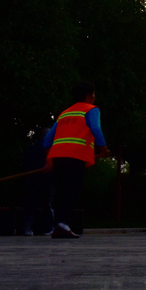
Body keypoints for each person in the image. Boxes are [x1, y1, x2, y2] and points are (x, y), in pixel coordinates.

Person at [43, 81, 110, 239]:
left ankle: (58, 225)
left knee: (60, 192)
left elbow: (47, 139)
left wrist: (48, 161)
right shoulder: (91, 110)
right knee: (71, 191)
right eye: (93, 94)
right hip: (75, 157)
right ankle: (63, 225)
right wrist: (103, 148)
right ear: (89, 95)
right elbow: (95, 128)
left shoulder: (65, 113)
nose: (94, 98)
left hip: (58, 157)